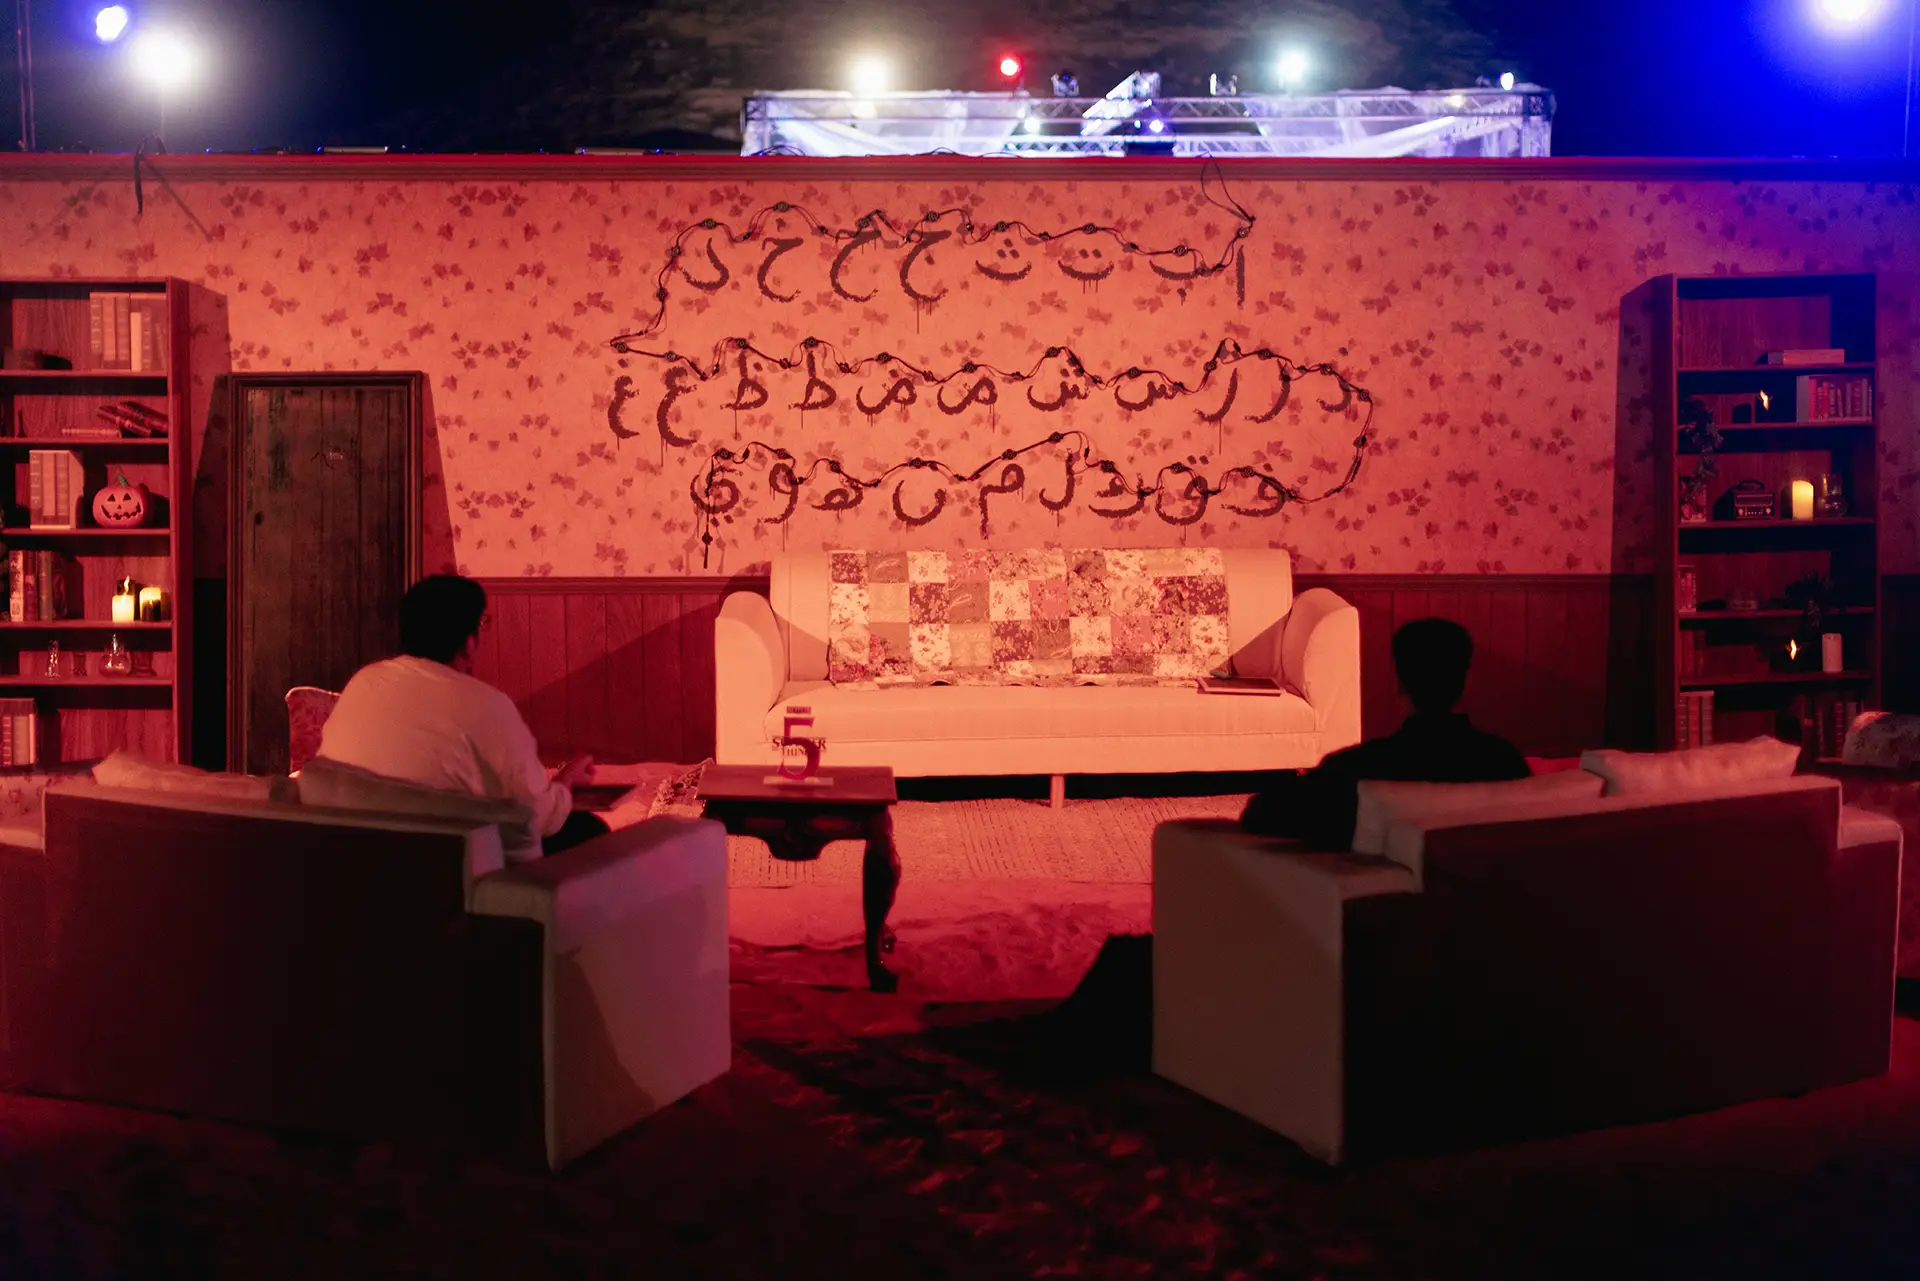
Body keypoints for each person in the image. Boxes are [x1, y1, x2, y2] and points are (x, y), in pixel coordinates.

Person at [317, 574, 607, 856]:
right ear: (468, 643)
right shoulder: (487, 705)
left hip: (355, 856)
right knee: (589, 830)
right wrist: (565, 783)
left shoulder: (363, 682)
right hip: (452, 867)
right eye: (482, 623)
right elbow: (535, 816)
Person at [1240, 617, 1529, 848]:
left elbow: (1262, 813)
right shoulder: (1505, 762)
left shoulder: (1355, 768)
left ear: (1400, 683)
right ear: (1467, 681)